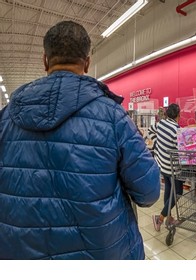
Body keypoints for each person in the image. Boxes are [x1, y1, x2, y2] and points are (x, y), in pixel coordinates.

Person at [0, 21, 160, 259]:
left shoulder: (6, 118)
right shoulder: (113, 116)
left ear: (45, 60)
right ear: (87, 62)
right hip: (101, 251)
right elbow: (149, 192)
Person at [151, 103, 185, 231]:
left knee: (168, 191)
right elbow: (180, 151)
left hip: (163, 165)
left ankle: (169, 217)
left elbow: (150, 131)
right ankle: (159, 218)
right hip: (173, 169)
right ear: (178, 115)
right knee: (178, 193)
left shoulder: (160, 124)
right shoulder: (176, 129)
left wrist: (157, 145)